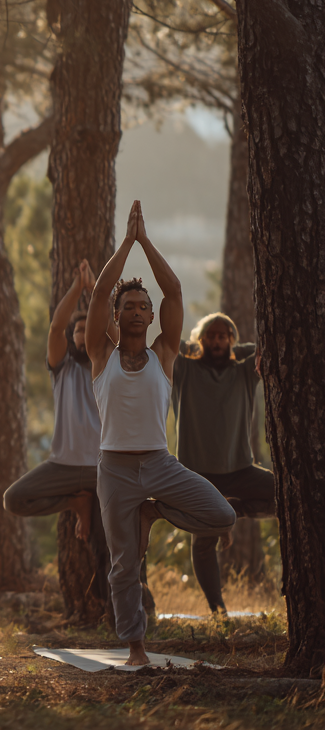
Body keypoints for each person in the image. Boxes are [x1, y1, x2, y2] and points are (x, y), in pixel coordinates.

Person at [85, 200, 236, 666]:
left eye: (142, 307)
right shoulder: (100, 355)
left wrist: (145, 243)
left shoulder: (165, 353)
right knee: (123, 565)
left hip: (159, 463)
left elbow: (173, 292)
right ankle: (136, 648)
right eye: (127, 306)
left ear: (151, 317)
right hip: (114, 469)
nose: (135, 310)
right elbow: (99, 294)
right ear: (116, 316)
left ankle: (155, 513)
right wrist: (124, 243)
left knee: (222, 515)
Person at [173, 313, 274, 613]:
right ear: (200, 340)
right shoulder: (185, 369)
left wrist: (237, 349)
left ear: (231, 340)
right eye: (210, 336)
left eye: (222, 336)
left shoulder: (243, 372)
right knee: (203, 543)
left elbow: (265, 349)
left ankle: (232, 510)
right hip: (197, 476)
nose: (216, 341)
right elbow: (167, 345)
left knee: (290, 495)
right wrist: (191, 348)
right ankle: (218, 611)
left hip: (241, 470)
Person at [4, 260, 105, 540]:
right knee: (14, 499)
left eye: (89, 329)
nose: (84, 334)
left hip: (105, 468)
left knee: (109, 537)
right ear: (72, 339)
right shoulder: (63, 368)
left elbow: (110, 322)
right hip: (64, 466)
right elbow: (55, 328)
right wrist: (77, 288)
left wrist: (96, 289)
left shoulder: (111, 366)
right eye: (79, 331)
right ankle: (76, 503)